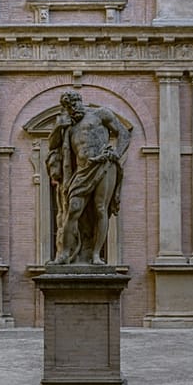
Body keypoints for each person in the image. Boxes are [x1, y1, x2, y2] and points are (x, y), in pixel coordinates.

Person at [45, 91, 129, 265]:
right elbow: (52, 144)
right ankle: (64, 254)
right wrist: (59, 126)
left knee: (100, 209)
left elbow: (123, 133)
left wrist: (117, 153)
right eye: (68, 107)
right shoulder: (68, 124)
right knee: (73, 209)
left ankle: (96, 255)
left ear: (80, 101)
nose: (72, 109)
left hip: (104, 165)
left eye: (74, 104)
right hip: (82, 171)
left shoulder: (100, 114)